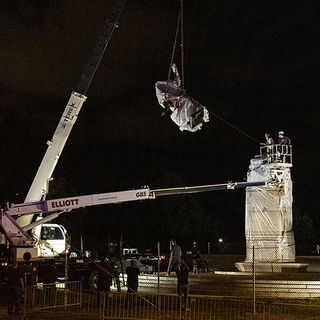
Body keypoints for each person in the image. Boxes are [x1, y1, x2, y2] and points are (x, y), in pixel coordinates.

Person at [155, 63, 209, 132]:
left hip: (178, 105)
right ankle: (194, 118)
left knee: (183, 102)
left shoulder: (169, 94)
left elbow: (169, 104)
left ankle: (194, 118)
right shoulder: (171, 90)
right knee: (185, 101)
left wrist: (166, 109)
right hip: (178, 103)